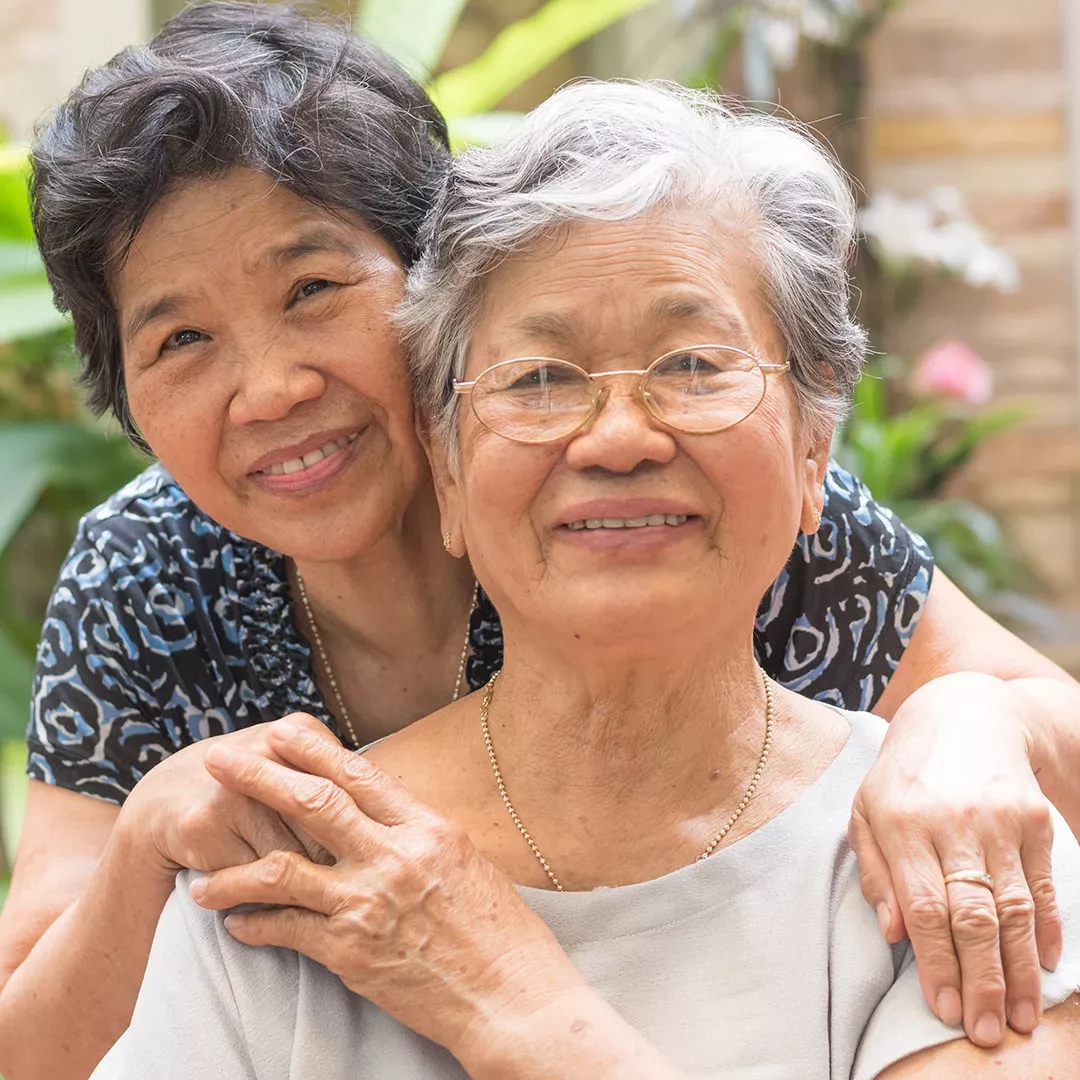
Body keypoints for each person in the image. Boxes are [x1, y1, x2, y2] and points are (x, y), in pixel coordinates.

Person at [3, 4, 1080, 1077]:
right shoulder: (147, 573)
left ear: (433, 289)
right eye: (181, 337)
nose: (273, 387)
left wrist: (967, 714)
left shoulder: (687, 498)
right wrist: (147, 840)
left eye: (314, 289)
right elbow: (29, 1042)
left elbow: (1049, 730)